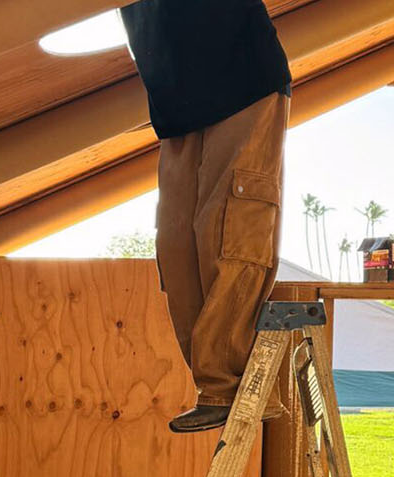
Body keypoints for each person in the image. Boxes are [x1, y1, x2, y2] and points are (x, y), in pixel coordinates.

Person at [119, 0, 293, 433]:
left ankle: (226, 385)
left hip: (243, 80)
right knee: (176, 247)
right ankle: (214, 385)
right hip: (175, 99)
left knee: (229, 228)